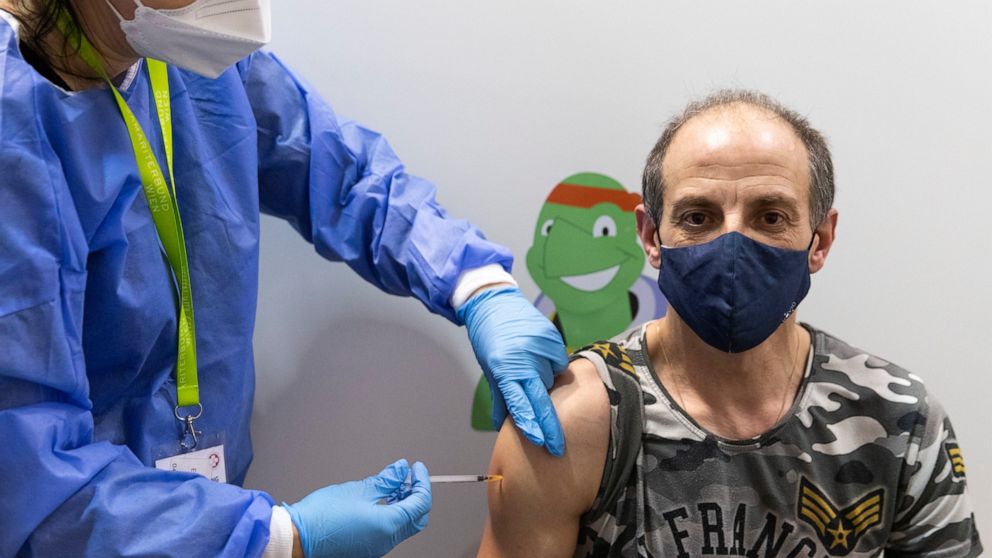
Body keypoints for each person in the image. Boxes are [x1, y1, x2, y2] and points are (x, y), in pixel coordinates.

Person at [0, 1, 569, 556]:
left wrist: (477, 284)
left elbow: (340, 173)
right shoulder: (14, 122)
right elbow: (32, 489)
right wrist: (278, 539)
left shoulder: (182, 60)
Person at [478, 90, 983, 557]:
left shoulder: (897, 419)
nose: (734, 246)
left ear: (821, 240)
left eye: (771, 217)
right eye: (698, 217)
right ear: (651, 237)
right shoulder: (576, 422)